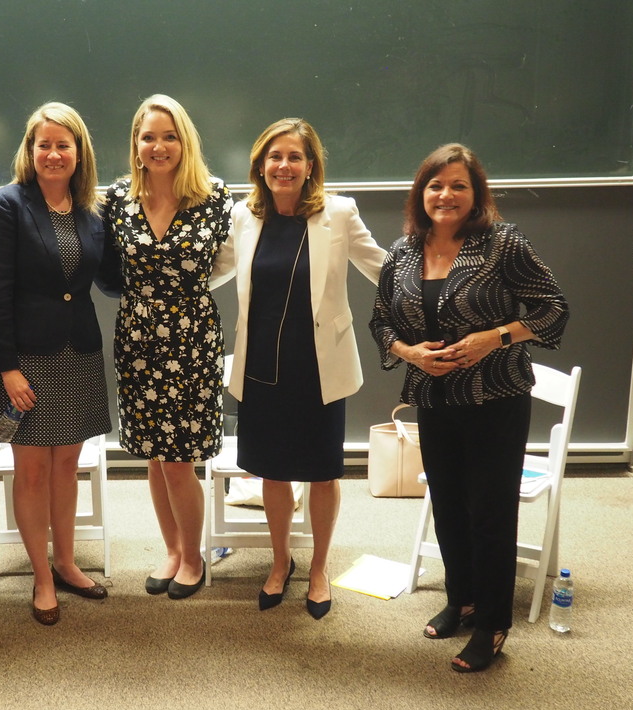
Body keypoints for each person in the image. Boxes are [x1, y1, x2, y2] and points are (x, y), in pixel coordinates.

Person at [370, 143, 569, 672]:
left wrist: (496, 336)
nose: (446, 195)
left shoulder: (503, 245)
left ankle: (493, 624)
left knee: (489, 512)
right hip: (434, 398)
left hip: (496, 399)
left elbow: (553, 309)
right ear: (421, 193)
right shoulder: (403, 251)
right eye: (436, 185)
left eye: (459, 185)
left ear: (476, 193)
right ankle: (461, 601)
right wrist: (408, 352)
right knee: (450, 507)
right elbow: (380, 324)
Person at [227, 118, 386, 618]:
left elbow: (380, 264)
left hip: (320, 365)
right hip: (261, 367)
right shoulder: (243, 215)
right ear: (260, 165)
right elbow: (212, 270)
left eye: (295, 157)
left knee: (321, 472)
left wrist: (435, 295)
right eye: (275, 157)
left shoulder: (338, 213)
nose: (284, 166)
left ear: (310, 166)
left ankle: (318, 569)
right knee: (272, 471)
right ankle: (280, 563)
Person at [0, 102, 117, 626]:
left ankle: (66, 561)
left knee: (67, 467)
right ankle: (41, 576)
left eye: (64, 145)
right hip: (27, 359)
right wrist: (7, 367)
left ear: (79, 152)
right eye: (45, 145)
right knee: (32, 471)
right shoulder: (7, 205)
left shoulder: (92, 210)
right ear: (30, 150)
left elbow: (109, 279)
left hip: (78, 354)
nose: (54, 154)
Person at [102, 94, 234, 600]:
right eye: (148, 136)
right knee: (153, 457)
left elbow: (227, 262)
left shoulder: (215, 196)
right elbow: (110, 269)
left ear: (185, 142)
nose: (159, 146)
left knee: (180, 458)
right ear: (136, 144)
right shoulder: (117, 198)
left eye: (169, 136)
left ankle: (194, 558)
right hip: (135, 338)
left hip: (191, 338)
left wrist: (184, 297)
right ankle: (173, 549)